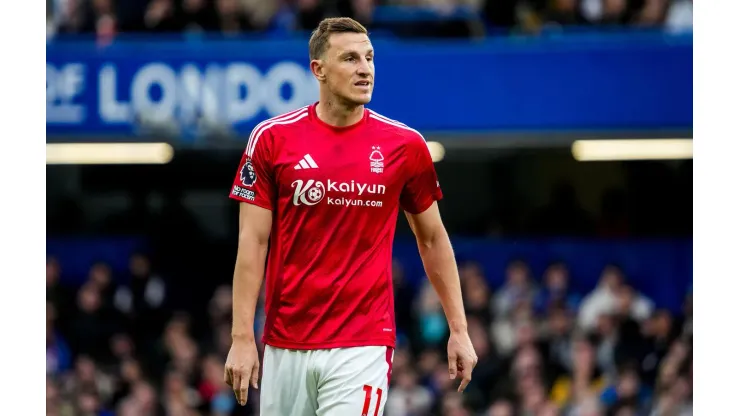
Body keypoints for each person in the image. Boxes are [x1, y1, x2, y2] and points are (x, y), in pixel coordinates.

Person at [224, 16, 477, 416]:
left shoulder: (405, 146)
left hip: (362, 341)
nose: (365, 69)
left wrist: (459, 330)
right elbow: (253, 243)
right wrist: (241, 337)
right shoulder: (271, 140)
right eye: (350, 59)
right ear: (318, 70)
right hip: (285, 341)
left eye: (370, 58)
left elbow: (432, 239)